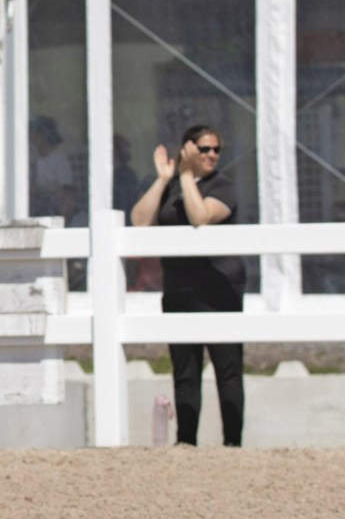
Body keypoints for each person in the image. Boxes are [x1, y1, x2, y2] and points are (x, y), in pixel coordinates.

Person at [130, 124, 245, 447]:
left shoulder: (223, 186)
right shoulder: (173, 186)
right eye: (203, 148)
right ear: (186, 150)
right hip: (180, 290)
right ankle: (186, 442)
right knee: (185, 369)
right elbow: (139, 221)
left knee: (228, 369)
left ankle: (232, 443)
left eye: (215, 149)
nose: (211, 154)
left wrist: (185, 177)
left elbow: (200, 216)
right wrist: (166, 179)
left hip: (219, 291)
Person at [29, 115, 74, 217]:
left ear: (45, 136)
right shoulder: (35, 161)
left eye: (37, 134)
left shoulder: (59, 160)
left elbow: (65, 190)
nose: (34, 139)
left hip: (55, 211)